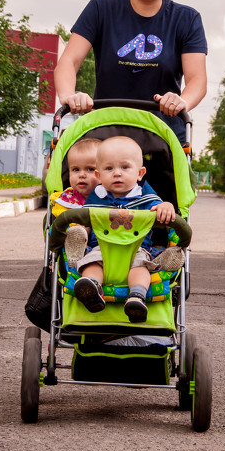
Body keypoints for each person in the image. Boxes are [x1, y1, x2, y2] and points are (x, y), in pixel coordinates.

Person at [54, 0, 207, 144]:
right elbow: (69, 61)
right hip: (106, 133)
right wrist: (69, 95)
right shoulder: (101, 9)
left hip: (163, 139)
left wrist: (182, 101)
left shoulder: (186, 19)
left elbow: (197, 80)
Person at [73, 136, 183, 324]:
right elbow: (86, 219)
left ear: (140, 173)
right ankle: (92, 289)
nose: (117, 173)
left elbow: (160, 207)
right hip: (101, 249)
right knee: (91, 263)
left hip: (136, 249)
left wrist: (166, 206)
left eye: (125, 167)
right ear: (99, 176)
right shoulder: (97, 196)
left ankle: (136, 298)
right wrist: (80, 230)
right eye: (109, 168)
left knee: (140, 268)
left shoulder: (144, 194)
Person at [50, 137, 101, 267]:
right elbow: (59, 217)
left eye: (90, 169)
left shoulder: (111, 196)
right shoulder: (66, 199)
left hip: (107, 242)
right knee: (59, 225)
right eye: (76, 170)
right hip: (77, 242)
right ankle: (75, 251)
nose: (81, 175)